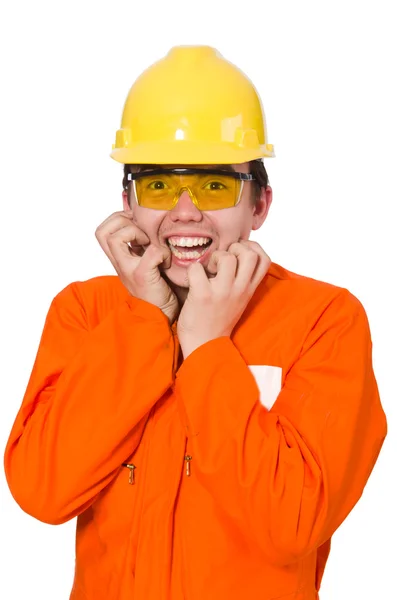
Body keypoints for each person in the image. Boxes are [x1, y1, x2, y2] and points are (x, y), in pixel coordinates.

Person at [4, 45, 387, 600]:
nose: (185, 212)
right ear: (127, 202)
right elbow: (43, 492)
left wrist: (207, 347)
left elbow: (293, 524)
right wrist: (146, 321)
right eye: (159, 186)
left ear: (260, 205)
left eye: (214, 187)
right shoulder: (87, 314)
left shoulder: (323, 321)